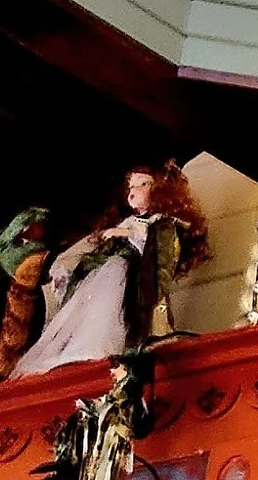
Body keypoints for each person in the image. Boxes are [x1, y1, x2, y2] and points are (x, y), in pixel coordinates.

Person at [18, 163, 208, 381]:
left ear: (160, 190)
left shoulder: (160, 223)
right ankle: (82, 348)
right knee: (93, 302)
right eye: (131, 186)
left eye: (143, 184)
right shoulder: (129, 222)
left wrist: (122, 232)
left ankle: (104, 347)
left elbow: (154, 246)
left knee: (116, 305)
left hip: (129, 275)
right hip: (113, 271)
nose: (134, 191)